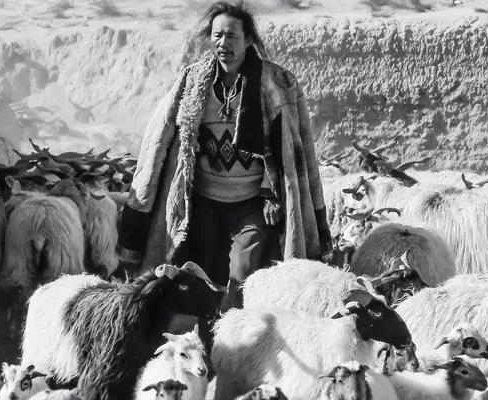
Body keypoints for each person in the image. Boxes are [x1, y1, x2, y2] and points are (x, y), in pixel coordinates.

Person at [116, 0, 332, 316]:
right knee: (195, 273)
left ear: (248, 39)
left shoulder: (277, 85)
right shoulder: (192, 82)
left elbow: (292, 150)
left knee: (242, 275)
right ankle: (199, 334)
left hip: (252, 205)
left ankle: (232, 333)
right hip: (203, 203)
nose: (223, 43)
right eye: (217, 35)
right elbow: (160, 138)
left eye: (231, 36)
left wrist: (273, 192)